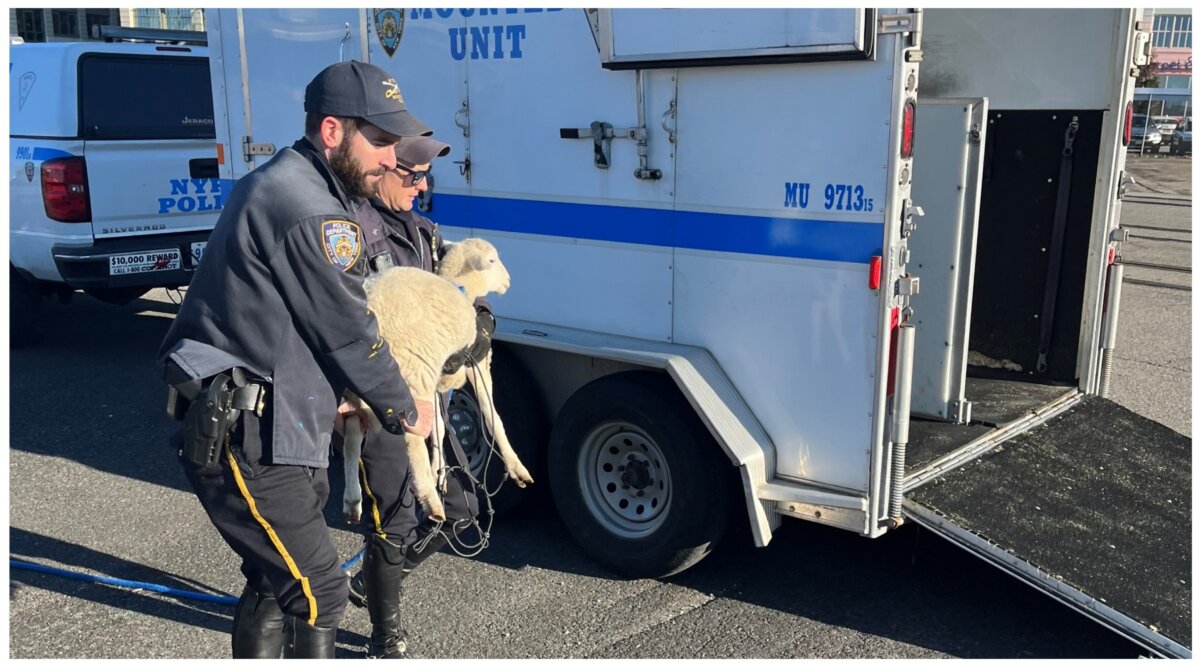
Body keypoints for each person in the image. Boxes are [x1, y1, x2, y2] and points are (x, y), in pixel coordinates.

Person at [157, 60, 437, 659]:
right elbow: (348, 331)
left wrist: (334, 394)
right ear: (332, 131)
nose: (394, 158)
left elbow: (288, 322)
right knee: (322, 593)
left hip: (282, 422)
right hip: (248, 429)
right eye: (382, 141)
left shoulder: (288, 183)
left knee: (272, 579)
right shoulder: (314, 209)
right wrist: (404, 406)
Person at [338, 134, 495, 659]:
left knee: (464, 506)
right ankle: (387, 636)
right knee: (395, 520)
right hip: (381, 405)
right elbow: (343, 324)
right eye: (412, 176)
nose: (422, 185)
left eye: (426, 177)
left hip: (430, 407)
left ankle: (368, 582)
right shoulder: (350, 233)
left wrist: (478, 326)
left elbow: (456, 294)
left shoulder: (425, 232)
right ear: (381, 169)